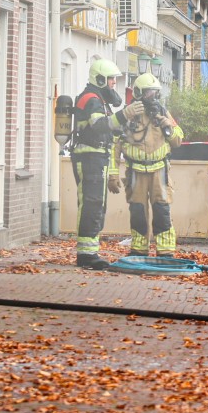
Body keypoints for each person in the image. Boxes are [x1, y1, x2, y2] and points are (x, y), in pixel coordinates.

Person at [115, 73, 185, 256]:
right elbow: (115, 145)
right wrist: (112, 174)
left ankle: (166, 250)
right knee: (137, 211)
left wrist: (167, 126)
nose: (153, 97)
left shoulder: (162, 112)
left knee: (162, 209)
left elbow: (178, 140)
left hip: (159, 171)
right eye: (149, 93)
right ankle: (139, 249)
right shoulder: (129, 115)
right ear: (138, 94)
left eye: (155, 93)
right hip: (136, 170)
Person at [70, 57, 127, 270]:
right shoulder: (91, 99)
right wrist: (123, 115)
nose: (114, 83)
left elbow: (110, 129)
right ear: (101, 79)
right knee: (91, 205)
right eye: (112, 79)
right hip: (89, 158)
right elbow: (100, 126)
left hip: (97, 158)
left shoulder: (99, 100)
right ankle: (86, 255)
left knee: (96, 205)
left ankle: (90, 252)